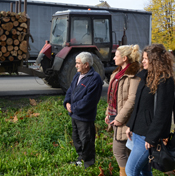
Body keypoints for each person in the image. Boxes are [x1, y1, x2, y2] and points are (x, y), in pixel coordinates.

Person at [125, 44, 175, 176]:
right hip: (137, 132)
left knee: (130, 170)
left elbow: (162, 113)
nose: (143, 61)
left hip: (147, 136)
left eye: (146, 58)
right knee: (144, 170)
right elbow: (139, 105)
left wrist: (152, 138)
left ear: (155, 60)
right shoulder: (146, 76)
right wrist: (130, 125)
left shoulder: (165, 80)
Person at [104, 45, 141, 176]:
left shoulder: (134, 76)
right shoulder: (116, 73)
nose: (114, 58)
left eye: (116, 55)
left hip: (126, 120)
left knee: (120, 151)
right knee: (124, 151)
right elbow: (111, 97)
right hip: (116, 118)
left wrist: (120, 118)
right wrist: (108, 113)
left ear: (124, 58)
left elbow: (132, 100)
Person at [63, 52, 103, 168]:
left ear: (86, 64)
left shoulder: (94, 79)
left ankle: (89, 163)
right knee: (77, 139)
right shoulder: (77, 75)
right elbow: (70, 90)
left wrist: (73, 108)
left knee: (87, 140)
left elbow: (89, 101)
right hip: (74, 115)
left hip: (85, 116)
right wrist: (67, 102)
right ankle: (81, 159)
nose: (76, 65)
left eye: (78, 63)